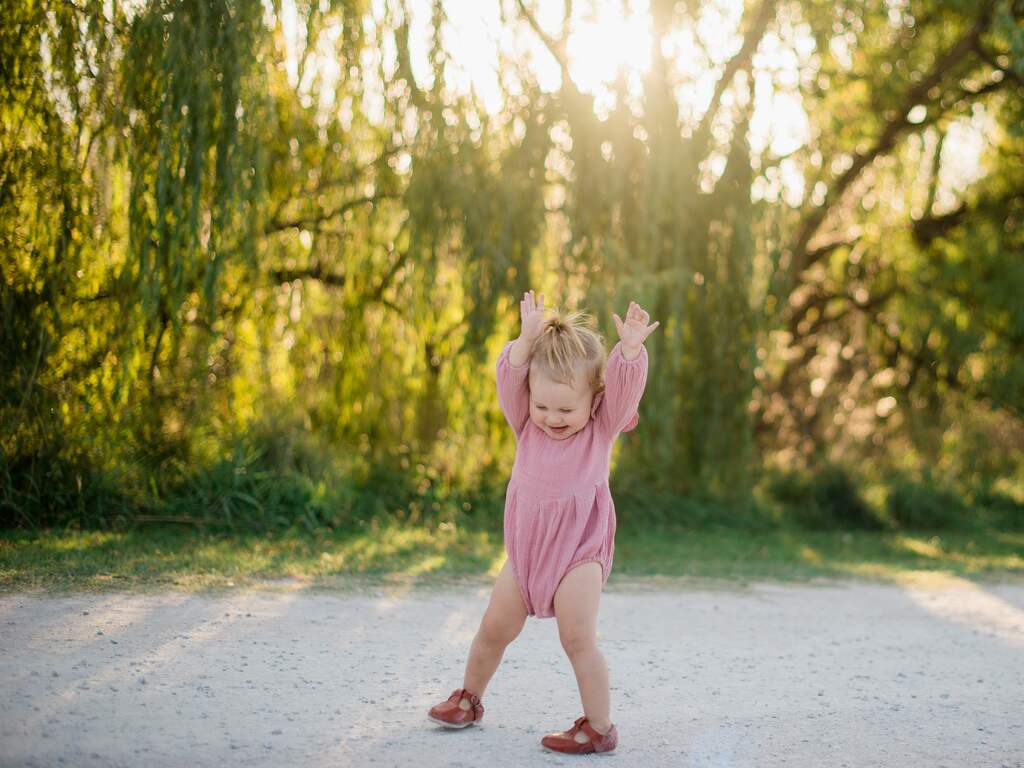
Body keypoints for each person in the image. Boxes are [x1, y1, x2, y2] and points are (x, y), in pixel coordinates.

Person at [427, 290, 659, 755]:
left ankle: (598, 727)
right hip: (526, 554)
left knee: (577, 638)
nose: (552, 418)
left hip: (579, 553)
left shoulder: (601, 427)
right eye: (543, 406)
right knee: (493, 628)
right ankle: (469, 698)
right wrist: (524, 340)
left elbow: (625, 389)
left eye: (565, 410)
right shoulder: (524, 422)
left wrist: (630, 351)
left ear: (594, 400)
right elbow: (508, 377)